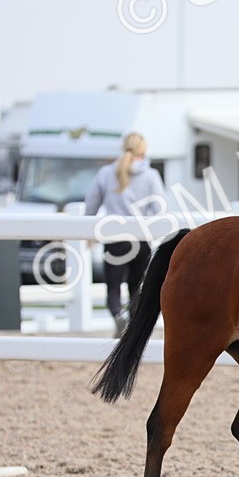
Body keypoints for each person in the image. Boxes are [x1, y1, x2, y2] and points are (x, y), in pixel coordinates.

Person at [84, 132, 165, 336]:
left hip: (114, 240)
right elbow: (159, 208)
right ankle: (133, 329)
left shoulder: (105, 173)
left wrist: (88, 233)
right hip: (140, 240)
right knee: (136, 288)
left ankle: (119, 317)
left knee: (112, 288)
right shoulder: (150, 175)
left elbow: (91, 204)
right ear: (143, 151)